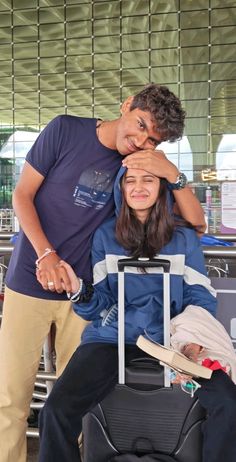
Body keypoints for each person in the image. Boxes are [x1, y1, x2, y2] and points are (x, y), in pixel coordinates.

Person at [0, 83, 206, 462]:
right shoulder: (64, 130)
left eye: (152, 138)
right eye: (141, 123)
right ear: (127, 105)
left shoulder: (135, 165)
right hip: (30, 282)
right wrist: (45, 254)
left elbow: (196, 224)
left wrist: (172, 173)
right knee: (10, 398)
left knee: (71, 401)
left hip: (84, 296)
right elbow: (22, 194)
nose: (140, 139)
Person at [38, 166, 236, 462]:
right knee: (56, 410)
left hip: (170, 340)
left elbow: (199, 296)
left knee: (227, 403)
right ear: (121, 188)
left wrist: (191, 344)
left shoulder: (184, 237)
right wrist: (80, 290)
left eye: (148, 180)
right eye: (130, 181)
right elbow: (101, 299)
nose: (138, 187)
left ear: (161, 188)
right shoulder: (105, 235)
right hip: (112, 337)